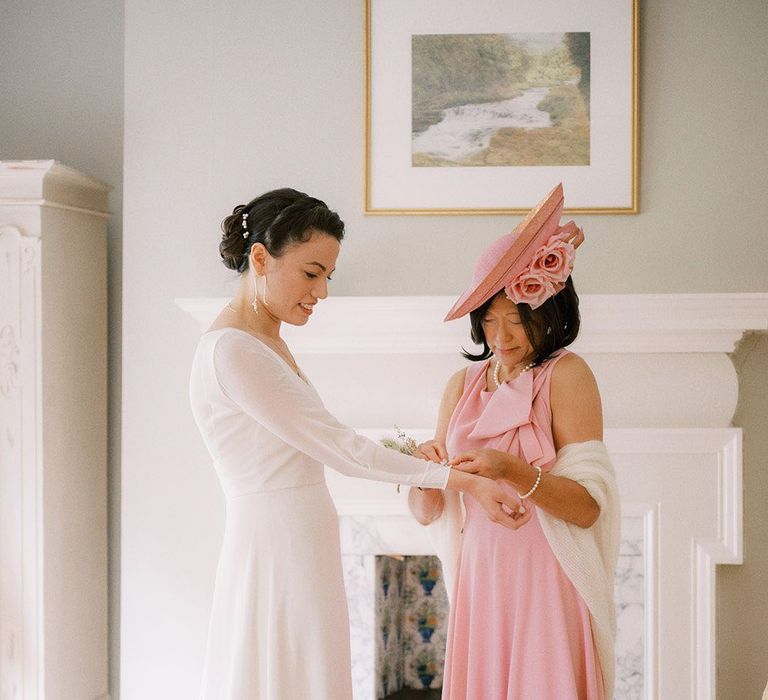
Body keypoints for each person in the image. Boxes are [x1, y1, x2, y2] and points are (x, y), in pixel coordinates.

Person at [188, 188, 527, 700]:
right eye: (311, 272)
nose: (322, 292)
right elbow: (340, 448)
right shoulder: (235, 351)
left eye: (327, 276)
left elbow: (325, 438)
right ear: (260, 258)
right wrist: (465, 482)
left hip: (299, 536)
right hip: (276, 545)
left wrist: (413, 458)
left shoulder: (265, 340)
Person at [409, 183, 620, 699]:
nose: (500, 337)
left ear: (546, 311)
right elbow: (427, 510)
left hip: (547, 577)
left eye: (516, 320)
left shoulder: (567, 376)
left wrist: (512, 470)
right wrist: (422, 471)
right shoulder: (461, 386)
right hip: (481, 578)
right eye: (489, 320)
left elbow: (589, 509)